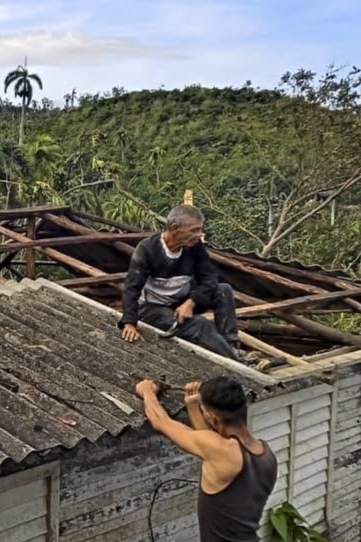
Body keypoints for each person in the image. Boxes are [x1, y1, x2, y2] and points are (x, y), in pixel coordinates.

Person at [136, 376, 277, 542]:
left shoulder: (221, 451)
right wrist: (193, 405)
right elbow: (207, 443)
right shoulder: (267, 456)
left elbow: (160, 421)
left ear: (211, 418)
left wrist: (147, 391)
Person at [119, 204, 241, 360]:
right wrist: (129, 322)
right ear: (175, 228)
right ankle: (233, 361)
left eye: (200, 230)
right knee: (199, 324)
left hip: (180, 303)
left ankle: (231, 345)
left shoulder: (194, 247)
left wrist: (191, 302)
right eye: (194, 230)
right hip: (151, 308)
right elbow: (131, 288)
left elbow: (209, 278)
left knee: (224, 290)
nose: (199, 235)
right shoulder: (147, 249)